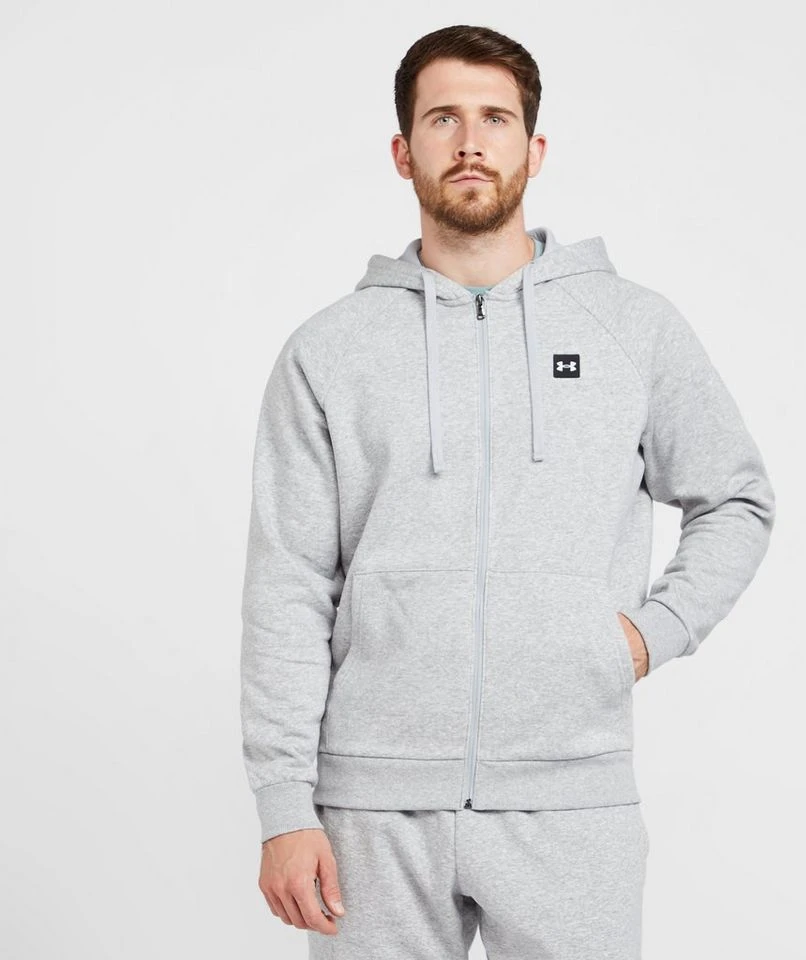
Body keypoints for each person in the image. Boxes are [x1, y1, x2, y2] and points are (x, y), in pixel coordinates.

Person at [239, 23, 776, 960]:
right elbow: (289, 581)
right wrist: (285, 804)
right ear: (403, 151)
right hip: (372, 805)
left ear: (535, 147)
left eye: (495, 118)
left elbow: (736, 499)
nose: (470, 142)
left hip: (572, 796)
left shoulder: (630, 328)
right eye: (442, 118)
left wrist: (649, 634)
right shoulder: (330, 350)